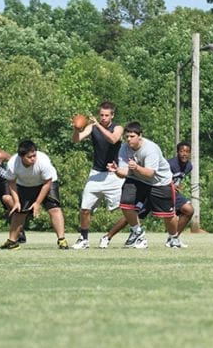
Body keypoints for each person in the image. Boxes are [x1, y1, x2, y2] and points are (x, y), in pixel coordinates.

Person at [100, 141, 194, 248]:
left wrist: (176, 185)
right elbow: (158, 175)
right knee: (133, 213)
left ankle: (173, 238)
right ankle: (108, 237)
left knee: (188, 210)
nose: (184, 154)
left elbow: (175, 179)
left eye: (187, 152)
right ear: (177, 152)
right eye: (181, 151)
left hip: (169, 192)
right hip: (155, 188)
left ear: (190, 153)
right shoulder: (171, 164)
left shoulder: (189, 166)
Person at [106, 122, 179, 248]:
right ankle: (138, 233)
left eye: (132, 136)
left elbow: (150, 173)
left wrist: (137, 167)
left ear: (140, 136)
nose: (129, 139)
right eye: (127, 136)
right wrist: (116, 170)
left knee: (168, 215)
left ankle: (173, 238)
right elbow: (125, 172)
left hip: (159, 182)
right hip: (138, 179)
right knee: (125, 204)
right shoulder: (124, 148)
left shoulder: (150, 149)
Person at [71, 101, 124, 249]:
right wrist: (76, 129)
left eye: (106, 115)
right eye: (101, 115)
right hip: (96, 173)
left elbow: (113, 139)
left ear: (112, 115)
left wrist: (98, 125)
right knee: (85, 209)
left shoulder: (117, 128)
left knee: (128, 209)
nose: (103, 118)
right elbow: (76, 140)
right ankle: (84, 238)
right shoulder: (92, 127)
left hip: (114, 174)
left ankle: (112, 236)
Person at [0, 140, 69, 250]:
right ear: (21, 157)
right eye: (29, 157)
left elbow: (47, 183)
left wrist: (37, 203)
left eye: (34, 155)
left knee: (54, 209)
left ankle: (62, 240)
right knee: (19, 212)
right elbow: (11, 182)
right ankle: (12, 242)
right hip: (25, 185)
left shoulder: (43, 161)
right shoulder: (13, 163)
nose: (33, 158)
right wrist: (16, 202)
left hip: (47, 182)